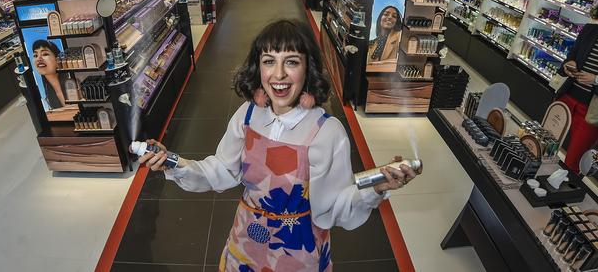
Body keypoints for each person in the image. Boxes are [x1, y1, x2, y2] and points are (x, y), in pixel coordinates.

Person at [140, 20, 420, 271]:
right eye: (269, 61)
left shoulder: (327, 132)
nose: (278, 75)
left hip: (298, 253)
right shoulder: (248, 115)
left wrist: (376, 188)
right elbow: (221, 171)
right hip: (245, 243)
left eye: (292, 62)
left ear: (307, 67)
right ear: (257, 66)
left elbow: (336, 209)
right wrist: (174, 163)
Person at [558, 0, 598, 173]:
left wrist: (596, 80)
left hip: (592, 112)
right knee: (543, 144)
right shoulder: (588, 30)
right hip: (567, 98)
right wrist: (569, 64)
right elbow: (571, 57)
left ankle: (559, 198)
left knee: (572, 163)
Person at [32, 40, 66, 110]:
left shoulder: (73, 83)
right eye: (35, 55)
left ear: (58, 60)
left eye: (45, 54)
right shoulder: (46, 95)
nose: (39, 58)